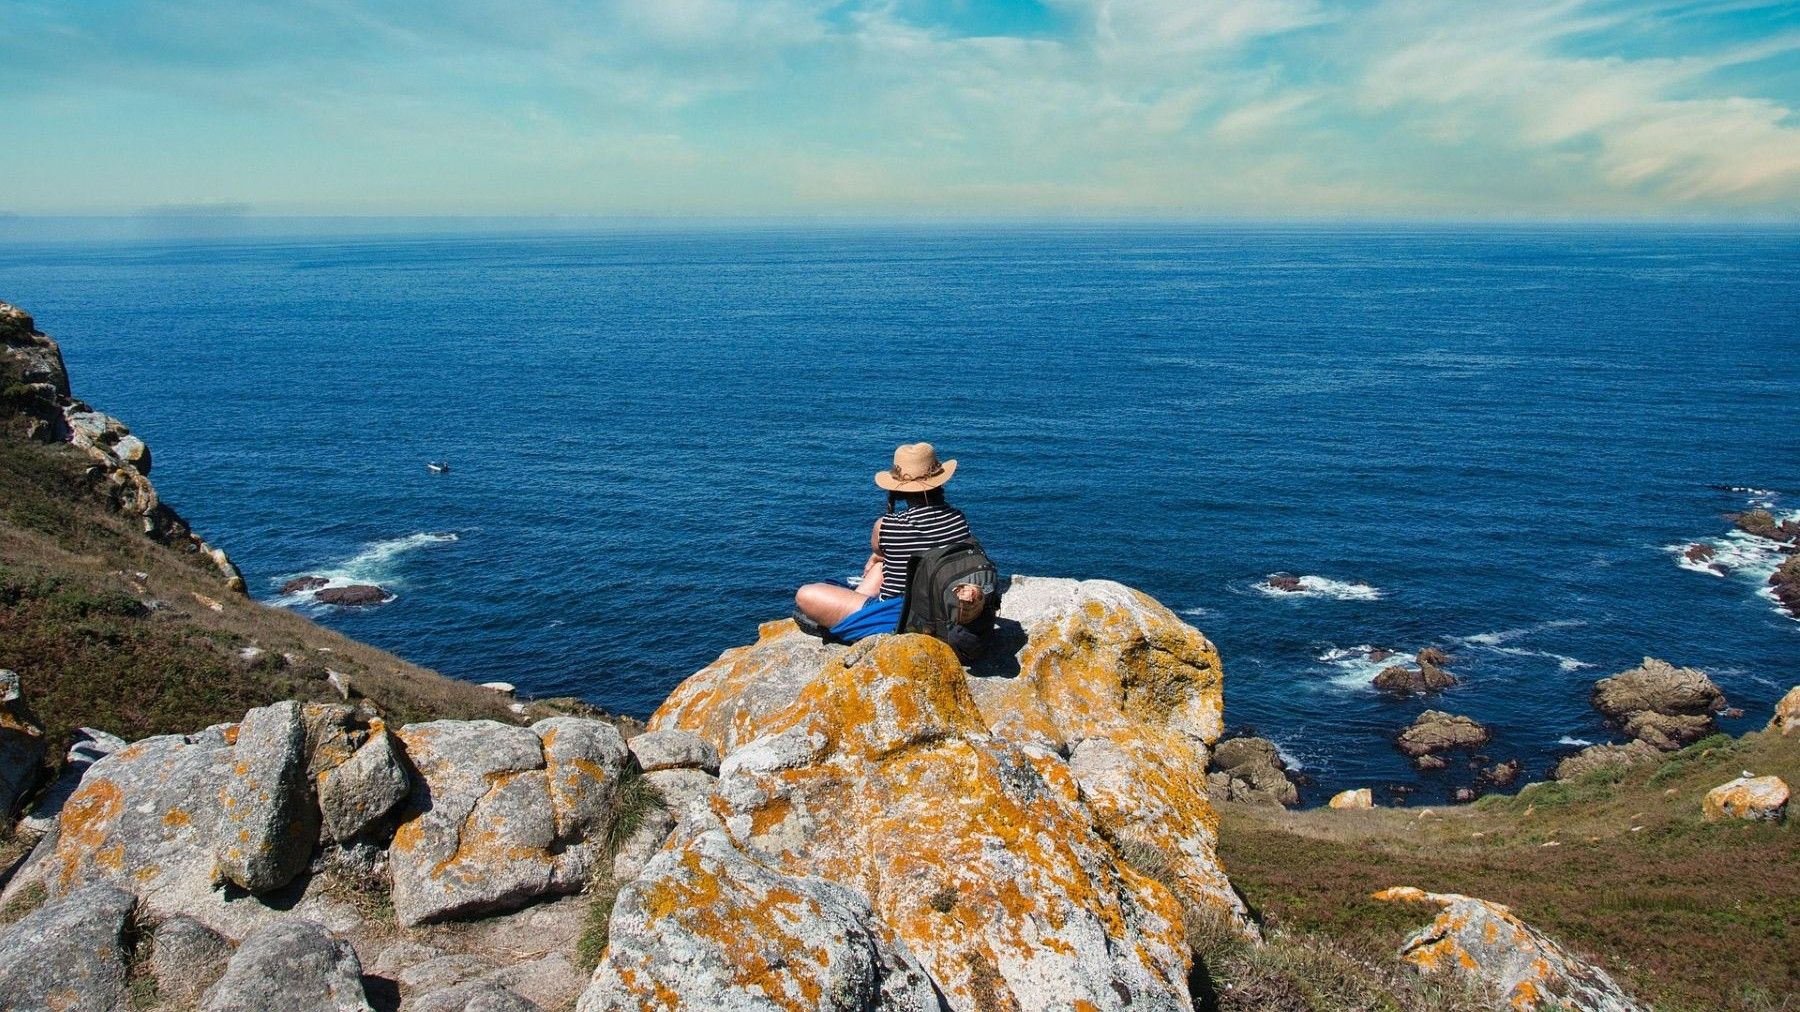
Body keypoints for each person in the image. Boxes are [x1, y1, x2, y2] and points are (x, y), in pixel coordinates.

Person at [794, 442, 985, 642]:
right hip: (941, 605)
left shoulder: (886, 525)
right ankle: (855, 605)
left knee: (805, 594)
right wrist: (879, 559)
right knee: (880, 566)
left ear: (898, 488)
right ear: (939, 481)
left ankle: (853, 619)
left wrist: (876, 558)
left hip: (902, 617)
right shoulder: (958, 518)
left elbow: (879, 550)